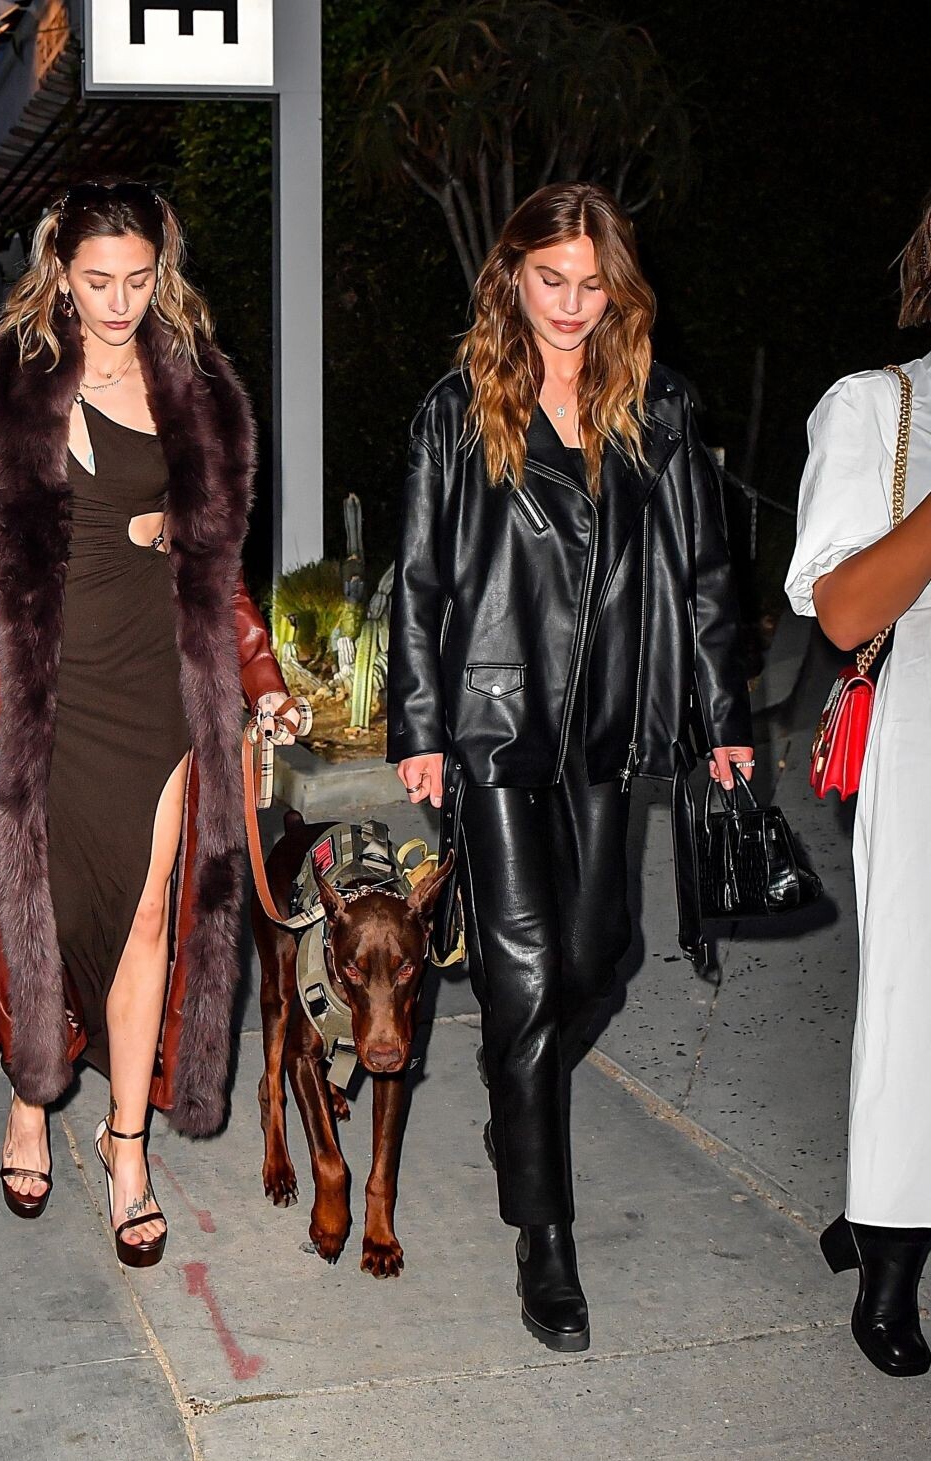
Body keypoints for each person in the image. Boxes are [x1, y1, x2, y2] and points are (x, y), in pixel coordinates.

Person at [387, 181, 752, 1350]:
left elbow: (705, 572)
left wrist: (724, 714)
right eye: (552, 278)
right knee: (528, 976)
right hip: (495, 721)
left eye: (593, 283)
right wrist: (419, 727)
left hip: (609, 724)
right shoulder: (459, 407)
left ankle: (518, 1089)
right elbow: (421, 581)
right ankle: (545, 1239)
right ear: (513, 274)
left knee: (601, 955)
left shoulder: (658, 403)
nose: (572, 303)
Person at [0, 179, 292, 1268]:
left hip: (158, 676)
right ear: (59, 269)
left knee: (147, 918)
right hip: (51, 674)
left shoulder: (198, 388)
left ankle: (126, 1144)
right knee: (42, 906)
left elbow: (220, 560)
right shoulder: (7, 379)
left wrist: (262, 677)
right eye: (98, 281)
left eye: (138, 279)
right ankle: (32, 1097)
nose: (119, 301)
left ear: (161, 271)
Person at [786, 198, 931, 1379]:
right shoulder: (880, 407)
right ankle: (891, 1248)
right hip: (924, 737)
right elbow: (841, 612)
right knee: (914, 994)